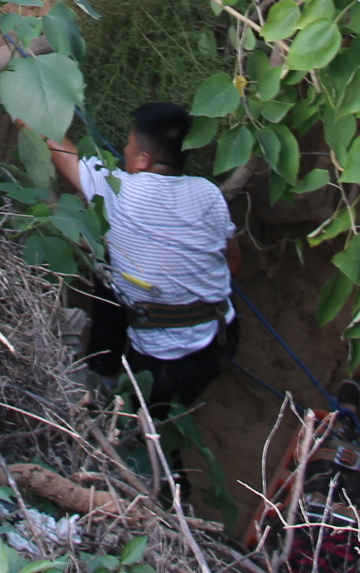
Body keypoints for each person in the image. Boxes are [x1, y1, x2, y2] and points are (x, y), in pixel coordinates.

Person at [46, 101, 240, 409]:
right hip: (222, 337)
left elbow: (62, 152)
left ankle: (106, 386)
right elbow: (233, 263)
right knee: (111, 264)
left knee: (148, 431)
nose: (124, 148)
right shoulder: (208, 194)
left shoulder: (118, 191)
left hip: (163, 362)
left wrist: (26, 113)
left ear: (144, 159)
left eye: (129, 144)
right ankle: (106, 370)